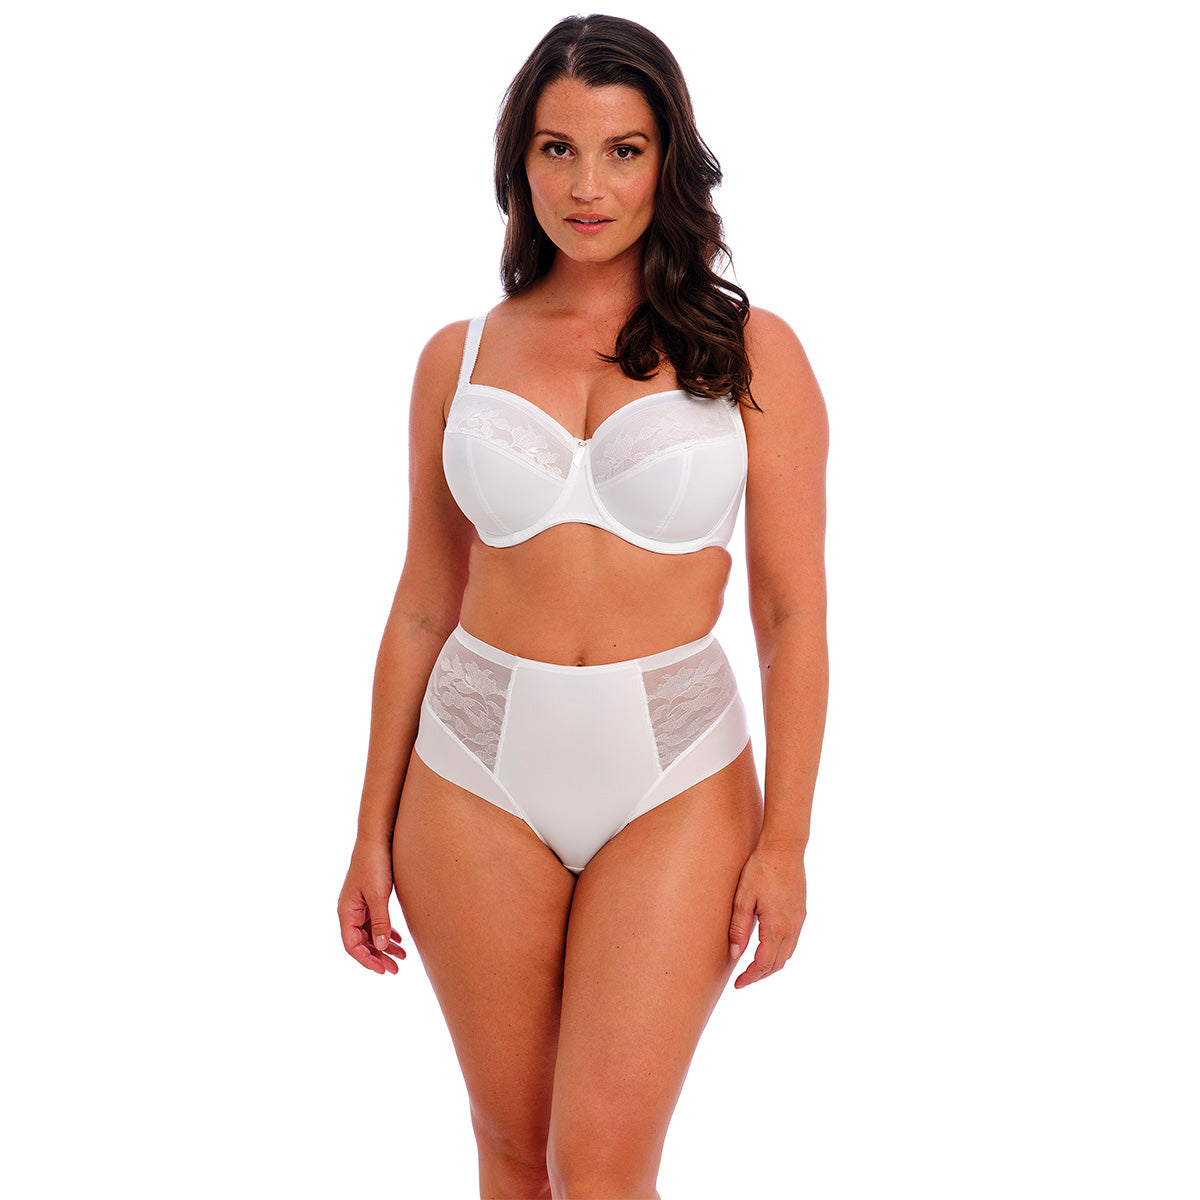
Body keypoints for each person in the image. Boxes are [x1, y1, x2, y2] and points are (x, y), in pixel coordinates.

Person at [337, 13, 828, 1199]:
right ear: (519, 161)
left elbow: (791, 616)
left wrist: (788, 843)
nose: (586, 186)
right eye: (556, 149)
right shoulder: (458, 357)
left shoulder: (752, 352)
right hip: (474, 764)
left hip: (675, 767)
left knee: (599, 1165)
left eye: (623, 150)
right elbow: (422, 603)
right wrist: (367, 830)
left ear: (669, 161)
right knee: (513, 1155)